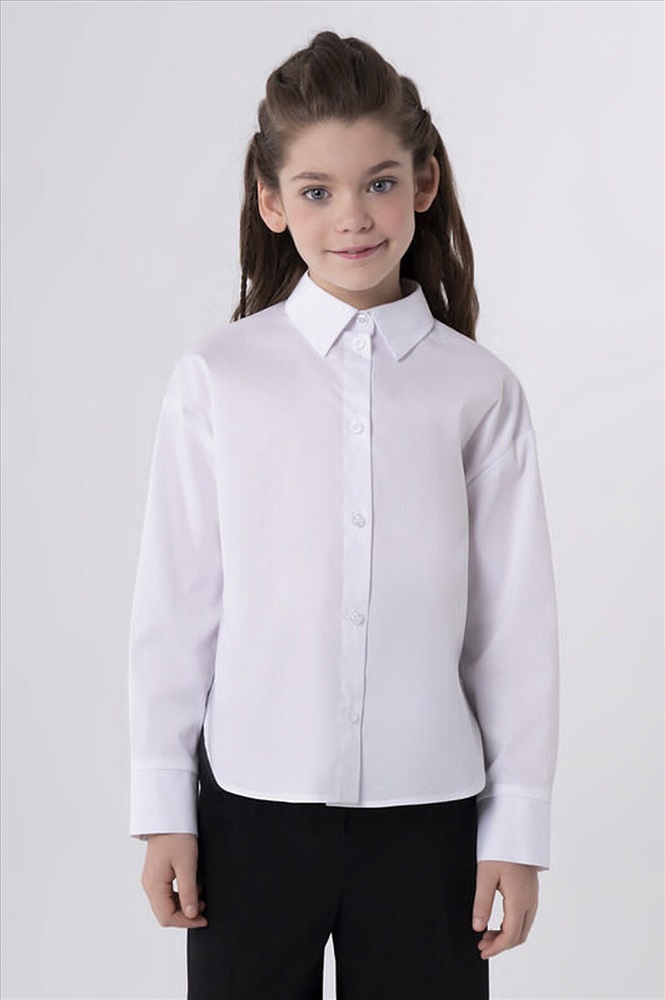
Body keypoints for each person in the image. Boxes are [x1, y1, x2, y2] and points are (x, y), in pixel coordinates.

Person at [128, 30, 559, 1000]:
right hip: (248, 810)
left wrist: (516, 827)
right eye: (316, 190)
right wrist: (163, 807)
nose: (352, 216)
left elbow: (512, 628)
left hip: (430, 819)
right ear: (272, 203)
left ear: (423, 183)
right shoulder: (219, 377)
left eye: (378, 182)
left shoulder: (477, 389)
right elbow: (177, 605)